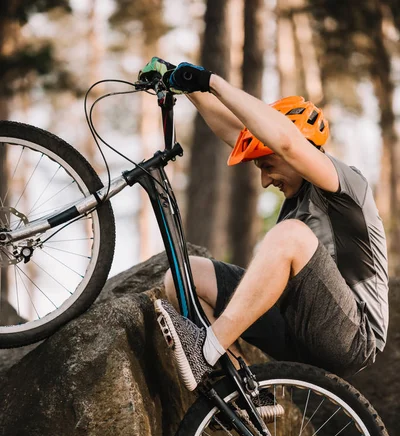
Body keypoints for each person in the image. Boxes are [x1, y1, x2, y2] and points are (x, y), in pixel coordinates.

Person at [139, 58, 389, 392]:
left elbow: (286, 142)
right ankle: (244, 392)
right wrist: (190, 88)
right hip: (296, 330)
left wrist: (214, 81)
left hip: (353, 336)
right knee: (184, 277)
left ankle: (207, 349)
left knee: (289, 236)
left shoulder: (345, 185)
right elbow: (236, 131)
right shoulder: (295, 204)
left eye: (268, 166)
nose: (264, 180)